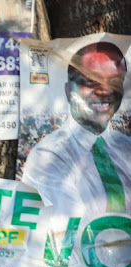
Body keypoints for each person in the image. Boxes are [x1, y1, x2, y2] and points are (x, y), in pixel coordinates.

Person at [22, 41, 131, 217]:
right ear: (68, 91)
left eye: (115, 81)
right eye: (90, 81)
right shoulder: (48, 156)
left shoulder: (125, 147)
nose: (104, 91)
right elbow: (69, 228)